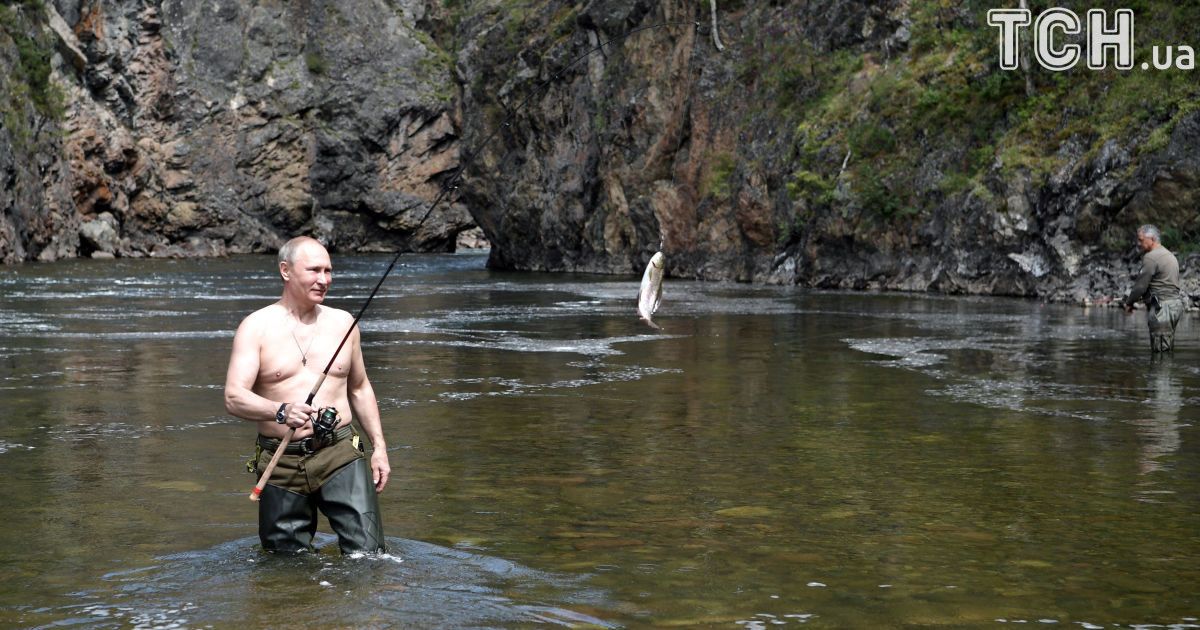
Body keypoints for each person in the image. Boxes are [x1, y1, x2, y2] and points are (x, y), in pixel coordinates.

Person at [224, 236, 390, 553]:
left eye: (328, 270)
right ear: (285, 271)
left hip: (339, 451)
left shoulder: (344, 323)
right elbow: (234, 397)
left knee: (369, 555)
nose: (324, 279)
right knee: (284, 564)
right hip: (279, 460)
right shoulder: (256, 327)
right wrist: (280, 411)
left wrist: (379, 447)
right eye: (314, 270)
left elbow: (359, 387)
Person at [1123, 224, 1186, 353]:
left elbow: (1140, 287)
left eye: (1141, 240)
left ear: (1151, 239)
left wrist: (1129, 303)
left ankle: (1158, 373)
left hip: (1162, 309)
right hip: (1175, 306)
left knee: (1160, 354)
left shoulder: (1151, 257)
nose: (1138, 243)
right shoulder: (1169, 255)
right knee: (1166, 349)